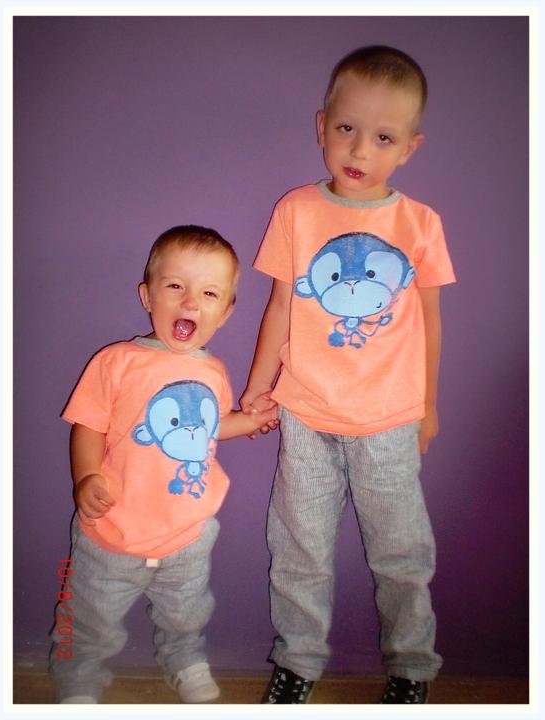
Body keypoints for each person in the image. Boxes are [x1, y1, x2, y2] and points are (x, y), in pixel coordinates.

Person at [240, 46, 456, 704]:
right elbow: (280, 307)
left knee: (401, 554)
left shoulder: (420, 224)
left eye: (383, 137)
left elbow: (429, 323)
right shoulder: (296, 211)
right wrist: (258, 386)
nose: (360, 149)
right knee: (298, 548)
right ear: (321, 126)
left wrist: (428, 406)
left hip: (388, 421)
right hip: (306, 414)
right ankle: (297, 662)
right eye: (346, 128)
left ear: (409, 148)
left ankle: (411, 668)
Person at [49, 225, 277, 704]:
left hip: (187, 531)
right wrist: (86, 477)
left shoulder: (214, 371)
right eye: (175, 286)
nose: (191, 301)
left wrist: (252, 420)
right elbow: (87, 424)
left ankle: (185, 659)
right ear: (147, 296)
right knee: (87, 616)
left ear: (226, 312)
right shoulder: (116, 361)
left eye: (209, 293)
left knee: (186, 611)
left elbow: (209, 427)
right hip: (112, 530)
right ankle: (77, 678)